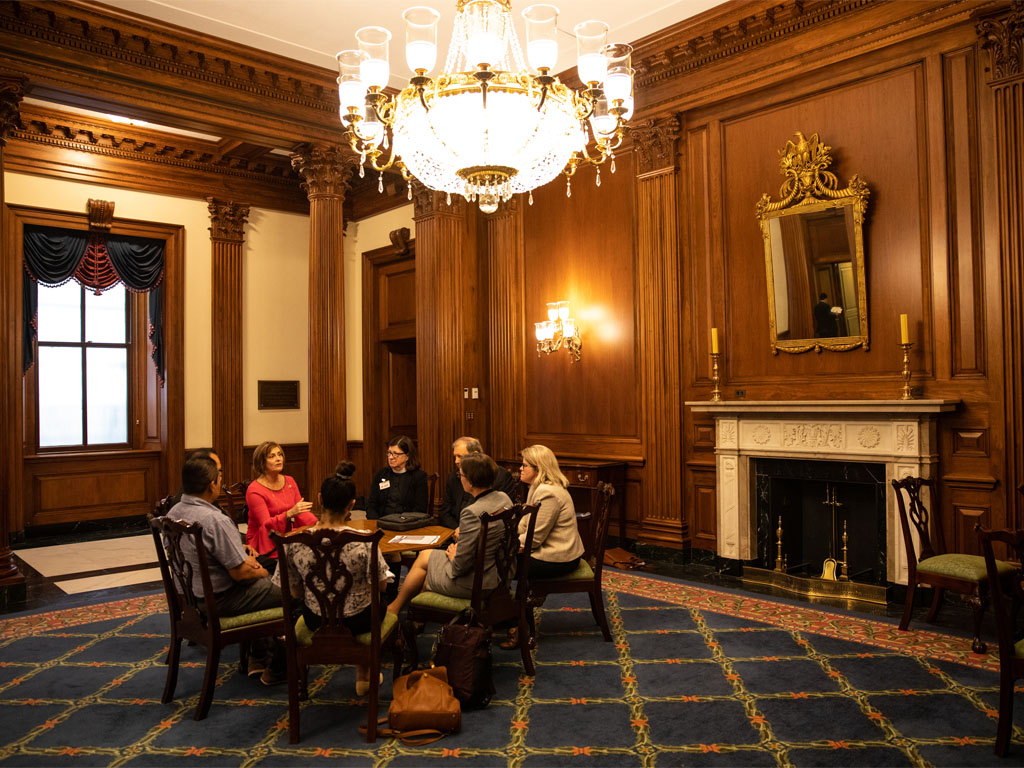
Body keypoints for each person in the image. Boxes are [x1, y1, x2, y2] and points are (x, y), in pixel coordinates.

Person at [166, 451, 285, 685]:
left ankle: (258, 657)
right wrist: (261, 571)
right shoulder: (214, 519)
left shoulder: (174, 512)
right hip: (222, 600)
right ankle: (278, 669)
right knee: (293, 594)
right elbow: (241, 574)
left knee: (267, 582)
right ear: (212, 485)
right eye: (219, 478)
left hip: (191, 598)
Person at [274, 462, 393, 695]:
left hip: (315, 620)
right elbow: (380, 585)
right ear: (352, 505)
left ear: (319, 498)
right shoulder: (365, 542)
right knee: (381, 603)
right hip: (360, 620)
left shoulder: (295, 542)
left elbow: (294, 592)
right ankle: (365, 671)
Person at [387, 453, 511, 614]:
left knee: (425, 569)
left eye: (461, 475)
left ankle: (398, 609)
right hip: (497, 574)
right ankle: (414, 613)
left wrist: (454, 555)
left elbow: (460, 566)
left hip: (475, 582)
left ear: (470, 481)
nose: (460, 478)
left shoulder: (472, 512)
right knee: (425, 556)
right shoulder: (504, 498)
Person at [500, 445, 586, 649]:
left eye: (524, 465)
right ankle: (507, 617)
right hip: (547, 551)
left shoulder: (548, 493)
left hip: (559, 558)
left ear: (538, 469)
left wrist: (506, 547)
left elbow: (535, 538)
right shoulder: (537, 488)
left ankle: (517, 624)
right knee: (500, 560)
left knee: (501, 564)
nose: (520, 469)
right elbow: (523, 525)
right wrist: (509, 542)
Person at [245, 441, 317, 567]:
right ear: (261, 462)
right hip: (264, 540)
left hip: (289, 533)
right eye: (272, 456)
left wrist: (318, 526)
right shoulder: (254, 490)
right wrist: (289, 514)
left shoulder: (289, 480)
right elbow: (265, 525)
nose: (278, 459)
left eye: (280, 454)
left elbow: (301, 512)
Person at [438, 436, 520, 529]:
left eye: (460, 456)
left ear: (475, 454)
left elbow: (503, 513)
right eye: (455, 456)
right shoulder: (454, 476)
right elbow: (445, 512)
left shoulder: (500, 476)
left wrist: (465, 530)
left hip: (485, 532)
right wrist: (457, 529)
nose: (456, 461)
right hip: (454, 530)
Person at [365, 435, 429, 520]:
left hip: (406, 524)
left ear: (407, 456)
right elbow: (371, 504)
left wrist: (402, 522)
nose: (391, 457)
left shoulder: (418, 477)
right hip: (381, 522)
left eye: (396, 454)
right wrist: (376, 522)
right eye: (389, 453)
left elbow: (419, 509)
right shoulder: (381, 474)